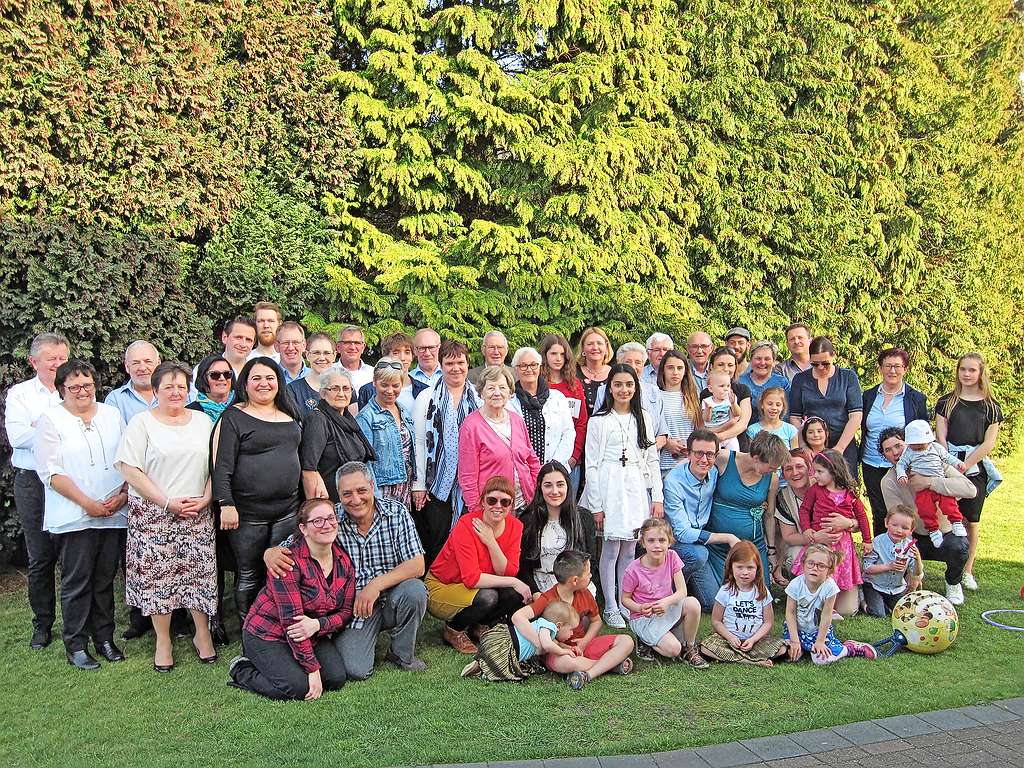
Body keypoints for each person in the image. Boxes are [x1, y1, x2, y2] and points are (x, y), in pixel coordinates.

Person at [265, 462, 428, 678]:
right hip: (352, 609)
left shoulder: (396, 512)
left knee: (415, 591)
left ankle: (401, 653)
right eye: (347, 493)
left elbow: (417, 565)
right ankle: (357, 639)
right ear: (339, 495)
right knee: (355, 670)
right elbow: (288, 545)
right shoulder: (330, 520)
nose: (356, 499)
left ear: (372, 486)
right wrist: (270, 553)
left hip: (392, 598)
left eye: (362, 490)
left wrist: (375, 585)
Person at [115, 362, 217, 672]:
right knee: (160, 579)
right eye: (168, 387)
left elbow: (217, 464)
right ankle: (163, 639)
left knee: (199, 575)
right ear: (156, 390)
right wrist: (167, 502)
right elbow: (129, 468)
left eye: (181, 387)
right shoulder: (141, 423)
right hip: (155, 514)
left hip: (197, 512)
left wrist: (207, 498)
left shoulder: (202, 421)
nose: (176, 392)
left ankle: (202, 634)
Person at [34, 360, 129, 670]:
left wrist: (121, 496)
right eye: (74, 386)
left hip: (112, 511)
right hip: (75, 514)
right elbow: (50, 471)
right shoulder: (51, 419)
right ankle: (75, 644)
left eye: (87, 385)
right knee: (77, 581)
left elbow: (126, 458)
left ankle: (104, 638)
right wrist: (86, 503)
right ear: (62, 389)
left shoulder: (111, 415)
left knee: (104, 578)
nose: (82, 391)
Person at [229, 499, 355, 700]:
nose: (327, 525)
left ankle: (290, 664)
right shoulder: (287, 562)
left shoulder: (343, 561)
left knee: (335, 678)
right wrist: (312, 669)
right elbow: (292, 621)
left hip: (310, 631)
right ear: (303, 528)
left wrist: (318, 625)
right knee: (299, 688)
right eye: (318, 521)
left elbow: (346, 612)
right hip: (268, 633)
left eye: (331, 518)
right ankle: (242, 669)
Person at [211, 357, 302, 624]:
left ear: (279, 383)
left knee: (280, 570)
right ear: (246, 385)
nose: (264, 384)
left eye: (270, 378)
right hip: (247, 514)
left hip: (287, 511)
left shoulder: (291, 415)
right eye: (257, 378)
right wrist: (225, 503)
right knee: (249, 572)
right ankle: (251, 628)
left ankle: (277, 623)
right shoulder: (234, 416)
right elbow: (222, 465)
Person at [581, 363, 663, 629]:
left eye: (629, 384)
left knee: (630, 547)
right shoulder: (599, 421)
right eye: (618, 384)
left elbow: (652, 460)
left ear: (635, 387)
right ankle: (611, 606)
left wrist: (657, 497)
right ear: (610, 388)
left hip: (635, 488)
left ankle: (625, 600)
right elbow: (591, 464)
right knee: (611, 547)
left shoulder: (644, 419)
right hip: (609, 486)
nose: (624, 390)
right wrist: (596, 505)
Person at [4, 332, 69, 649]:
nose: (59, 364)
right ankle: (42, 624)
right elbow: (18, 437)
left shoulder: (72, 388)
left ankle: (75, 620)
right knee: (41, 556)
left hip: (68, 479)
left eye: (62, 357)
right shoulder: (21, 394)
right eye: (52, 359)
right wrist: (58, 429)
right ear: (34, 362)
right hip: (33, 482)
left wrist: (41, 428)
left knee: (72, 554)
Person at [424, 476, 530, 654]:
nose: (498, 506)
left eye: (505, 502)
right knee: (488, 597)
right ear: (482, 502)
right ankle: (453, 631)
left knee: (513, 594)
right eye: (492, 500)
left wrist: (491, 542)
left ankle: (479, 625)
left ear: (511, 506)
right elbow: (472, 578)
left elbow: (509, 571)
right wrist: (514, 581)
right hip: (442, 586)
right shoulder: (466, 525)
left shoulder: (516, 526)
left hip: (474, 586)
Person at [510, 550, 635, 689]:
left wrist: (584, 642)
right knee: (568, 663)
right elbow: (518, 617)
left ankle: (593, 671)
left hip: (582, 647)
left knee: (626, 641)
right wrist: (540, 643)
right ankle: (610, 665)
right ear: (575, 580)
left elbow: (596, 621)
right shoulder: (547, 599)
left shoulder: (585, 593)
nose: (591, 576)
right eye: (588, 574)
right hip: (558, 653)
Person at [878, 426, 974, 605]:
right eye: (888, 450)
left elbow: (970, 489)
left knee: (959, 547)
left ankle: (953, 582)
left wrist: (931, 483)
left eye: (898, 446)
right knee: (895, 543)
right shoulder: (889, 481)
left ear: (908, 443)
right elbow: (896, 521)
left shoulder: (938, 463)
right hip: (915, 535)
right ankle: (909, 575)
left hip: (945, 532)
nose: (895, 453)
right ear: (885, 456)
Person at [935, 352, 1003, 591]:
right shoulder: (947, 402)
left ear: (980, 372)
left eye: (972, 370)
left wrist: (966, 463)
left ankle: (967, 570)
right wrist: (950, 462)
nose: (967, 374)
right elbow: (940, 434)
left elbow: (989, 442)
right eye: (963, 369)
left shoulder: (991, 406)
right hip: (949, 464)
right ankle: (951, 567)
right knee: (948, 518)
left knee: (971, 521)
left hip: (974, 468)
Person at [412, 340, 481, 569]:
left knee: (467, 541)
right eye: (449, 362)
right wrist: (419, 484)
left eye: (460, 362)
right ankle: (434, 590)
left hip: (469, 485)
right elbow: (420, 443)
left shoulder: (478, 398)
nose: (456, 368)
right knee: (437, 540)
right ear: (441, 365)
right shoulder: (426, 397)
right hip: (436, 486)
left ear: (468, 364)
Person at [185, 353, 237, 644]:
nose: (221, 380)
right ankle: (212, 618)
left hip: (239, 493)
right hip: (204, 492)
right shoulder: (192, 411)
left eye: (226, 375)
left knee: (238, 555)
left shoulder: (241, 408)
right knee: (210, 558)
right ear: (203, 378)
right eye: (214, 375)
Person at [662, 430, 738, 611]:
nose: (704, 460)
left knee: (713, 602)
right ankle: (669, 590)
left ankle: (690, 591)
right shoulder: (674, 481)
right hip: (674, 544)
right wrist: (727, 537)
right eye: (698, 453)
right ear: (688, 453)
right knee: (698, 555)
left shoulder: (714, 474)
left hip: (699, 544)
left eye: (710, 454)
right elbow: (682, 533)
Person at [793, 449, 872, 617]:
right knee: (820, 571)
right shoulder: (816, 490)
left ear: (834, 471)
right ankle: (814, 603)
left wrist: (867, 540)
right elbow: (805, 510)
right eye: (815, 471)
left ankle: (832, 605)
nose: (815, 475)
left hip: (842, 544)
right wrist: (807, 529)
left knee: (836, 572)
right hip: (821, 543)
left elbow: (862, 516)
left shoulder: (850, 493)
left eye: (820, 472)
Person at [621, 518, 709, 668]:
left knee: (693, 603)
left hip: (666, 609)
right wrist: (640, 608)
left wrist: (666, 602)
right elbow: (625, 599)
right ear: (643, 543)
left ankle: (690, 647)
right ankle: (643, 639)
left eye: (662, 540)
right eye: (651, 541)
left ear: (669, 542)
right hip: (644, 617)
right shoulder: (633, 570)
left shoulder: (672, 557)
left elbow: (682, 591)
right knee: (674, 650)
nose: (657, 545)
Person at [860, 347, 930, 534]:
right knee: (879, 511)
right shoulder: (868, 396)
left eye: (897, 366)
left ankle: (906, 555)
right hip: (872, 464)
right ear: (880, 368)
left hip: (904, 465)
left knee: (905, 512)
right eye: (888, 366)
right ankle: (880, 554)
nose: (892, 371)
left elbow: (924, 432)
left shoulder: (916, 399)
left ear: (905, 369)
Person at [705, 431, 788, 589]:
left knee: (762, 593)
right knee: (721, 594)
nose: (773, 471)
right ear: (756, 458)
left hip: (752, 544)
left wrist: (771, 550)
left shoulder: (772, 479)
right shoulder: (724, 459)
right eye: (771, 467)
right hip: (718, 545)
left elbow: (769, 515)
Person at [457, 366, 540, 514]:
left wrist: (535, 491)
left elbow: (531, 459)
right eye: (490, 388)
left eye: (502, 387)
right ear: (481, 393)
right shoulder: (471, 426)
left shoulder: (517, 420)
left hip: (524, 504)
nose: (497, 393)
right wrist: (477, 511)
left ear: (509, 392)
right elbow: (467, 476)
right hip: (493, 509)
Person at [773, 448, 856, 587]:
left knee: (848, 608)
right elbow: (788, 537)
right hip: (806, 544)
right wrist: (816, 537)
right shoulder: (783, 497)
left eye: (799, 467)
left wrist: (848, 523)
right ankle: (809, 588)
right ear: (783, 473)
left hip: (839, 544)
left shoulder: (830, 486)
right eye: (788, 469)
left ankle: (844, 585)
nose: (795, 473)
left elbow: (859, 520)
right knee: (796, 554)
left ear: (809, 468)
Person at [699, 540, 788, 667]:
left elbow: (768, 622)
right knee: (706, 647)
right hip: (728, 641)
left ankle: (737, 657)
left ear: (757, 568)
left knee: (782, 648)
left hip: (756, 641)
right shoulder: (725, 591)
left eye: (750, 567)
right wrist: (730, 637)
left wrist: (753, 639)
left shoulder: (762, 592)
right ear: (731, 567)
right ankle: (750, 661)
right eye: (739, 567)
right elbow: (716, 621)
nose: (745, 572)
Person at [783, 545, 876, 664]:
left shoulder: (830, 587)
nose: (814, 568)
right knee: (789, 655)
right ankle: (801, 647)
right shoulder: (795, 585)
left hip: (817, 631)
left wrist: (820, 641)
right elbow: (790, 613)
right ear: (803, 564)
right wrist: (795, 641)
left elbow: (826, 616)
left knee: (821, 660)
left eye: (821, 566)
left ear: (829, 570)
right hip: (796, 629)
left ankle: (848, 648)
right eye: (810, 563)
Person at [518, 461, 598, 594]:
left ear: (568, 486)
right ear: (540, 488)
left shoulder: (583, 517)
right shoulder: (528, 520)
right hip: (543, 588)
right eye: (548, 485)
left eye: (560, 485)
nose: (554, 491)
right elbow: (523, 567)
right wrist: (536, 593)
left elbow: (591, 562)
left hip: (577, 586)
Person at [789, 336, 863, 476]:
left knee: (845, 488)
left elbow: (856, 416)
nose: (821, 367)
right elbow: (795, 416)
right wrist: (804, 445)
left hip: (844, 443)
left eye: (825, 363)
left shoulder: (848, 377)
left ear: (833, 355)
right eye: (815, 364)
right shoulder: (800, 379)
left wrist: (839, 448)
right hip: (812, 444)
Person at [299, 369, 376, 503]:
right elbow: (308, 469)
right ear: (323, 393)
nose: (341, 394)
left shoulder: (348, 420)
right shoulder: (317, 419)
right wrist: (317, 510)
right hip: (330, 504)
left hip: (352, 501)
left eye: (346, 389)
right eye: (335, 389)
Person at [464, 600, 578, 683]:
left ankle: (480, 664)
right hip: (507, 647)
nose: (572, 634)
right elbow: (547, 645)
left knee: (490, 658)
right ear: (558, 625)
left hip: (500, 640)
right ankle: (484, 671)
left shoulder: (543, 627)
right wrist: (563, 652)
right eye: (571, 630)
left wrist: (567, 648)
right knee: (500, 668)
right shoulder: (548, 627)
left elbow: (554, 643)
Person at [896, 419, 969, 547]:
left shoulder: (936, 448)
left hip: (939, 481)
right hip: (922, 489)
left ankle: (956, 521)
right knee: (925, 509)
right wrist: (901, 474)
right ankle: (933, 530)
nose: (918, 447)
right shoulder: (909, 453)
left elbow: (947, 457)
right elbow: (901, 465)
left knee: (949, 503)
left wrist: (958, 463)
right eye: (915, 444)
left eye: (921, 443)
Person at [356, 359, 416, 508]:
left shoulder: (404, 411)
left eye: (395, 385)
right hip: (382, 487)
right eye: (384, 385)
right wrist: (373, 495)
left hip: (405, 485)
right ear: (374, 382)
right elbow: (365, 462)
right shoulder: (366, 417)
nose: (390, 391)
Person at [509, 347, 575, 467]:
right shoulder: (508, 402)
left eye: (533, 365)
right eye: (523, 365)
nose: (529, 369)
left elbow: (568, 433)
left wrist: (555, 464)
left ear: (539, 367)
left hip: (554, 469)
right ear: (516, 369)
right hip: (520, 469)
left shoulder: (557, 398)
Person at [539, 333, 588, 491]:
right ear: (545, 356)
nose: (558, 358)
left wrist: (574, 456)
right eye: (553, 354)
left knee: (568, 511)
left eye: (562, 354)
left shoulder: (574, 385)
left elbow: (581, 423)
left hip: (570, 462)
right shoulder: (538, 385)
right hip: (542, 460)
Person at [862, 505, 922, 617]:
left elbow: (916, 572)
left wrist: (918, 558)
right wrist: (889, 566)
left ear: (911, 530)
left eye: (905, 528)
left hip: (896, 588)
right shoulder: (877, 543)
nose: (899, 530)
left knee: (906, 613)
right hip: (874, 585)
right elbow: (867, 568)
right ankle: (863, 602)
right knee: (879, 614)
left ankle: (886, 604)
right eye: (894, 525)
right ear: (886, 523)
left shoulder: (909, 547)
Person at [656, 350, 703, 477]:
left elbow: (698, 428)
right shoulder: (655, 396)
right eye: (670, 367)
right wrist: (667, 442)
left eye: (680, 368)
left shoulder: (692, 396)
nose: (675, 372)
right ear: (663, 370)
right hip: (664, 463)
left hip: (689, 461)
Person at [355, 332, 426, 413]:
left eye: (407, 352)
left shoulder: (423, 390)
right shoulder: (368, 390)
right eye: (396, 353)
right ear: (386, 356)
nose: (402, 358)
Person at [700, 347, 752, 448]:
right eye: (720, 365)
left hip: (737, 445)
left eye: (730, 365)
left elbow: (742, 423)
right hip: (711, 443)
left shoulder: (742, 390)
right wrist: (713, 434)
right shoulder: (706, 394)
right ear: (711, 367)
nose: (726, 369)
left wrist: (720, 436)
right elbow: (702, 424)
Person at [104, 340, 159, 423]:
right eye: (135, 363)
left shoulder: (175, 394)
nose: (142, 368)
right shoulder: (115, 400)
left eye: (148, 362)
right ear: (127, 367)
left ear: (158, 363)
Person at [738, 340, 790, 424]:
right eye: (758, 358)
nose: (762, 363)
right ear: (750, 360)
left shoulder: (782, 383)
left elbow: (787, 414)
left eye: (767, 359)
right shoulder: (740, 382)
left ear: (774, 361)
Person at [286, 332, 337, 414]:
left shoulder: (345, 389)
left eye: (327, 353)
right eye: (316, 353)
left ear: (334, 356)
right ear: (307, 355)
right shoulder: (292, 390)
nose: (322, 358)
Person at [576, 326, 613, 416]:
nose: (595, 347)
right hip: (579, 428)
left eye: (599, 343)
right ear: (583, 349)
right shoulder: (573, 373)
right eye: (590, 344)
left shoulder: (615, 374)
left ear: (606, 347)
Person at [702, 370, 742, 452]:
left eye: (728, 386)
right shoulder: (707, 402)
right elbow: (706, 419)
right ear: (710, 388)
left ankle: (733, 464)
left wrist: (734, 403)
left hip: (728, 434)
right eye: (722, 386)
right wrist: (708, 410)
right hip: (713, 434)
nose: (726, 389)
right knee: (715, 454)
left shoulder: (730, 399)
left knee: (735, 452)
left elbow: (738, 414)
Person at [187, 354, 236, 421]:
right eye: (215, 375)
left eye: (227, 374)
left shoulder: (243, 407)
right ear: (203, 378)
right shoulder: (190, 412)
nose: (222, 378)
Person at [334, 325, 375, 392]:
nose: (352, 347)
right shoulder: (328, 372)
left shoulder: (373, 374)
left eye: (357, 343)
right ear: (338, 347)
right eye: (347, 343)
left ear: (363, 347)